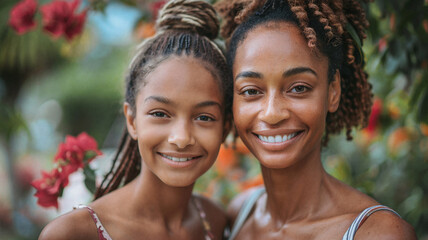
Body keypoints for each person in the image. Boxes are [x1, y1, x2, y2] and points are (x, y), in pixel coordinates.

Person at [214, 0, 416, 239]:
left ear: (333, 92)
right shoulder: (240, 213)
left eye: (298, 88)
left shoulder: (377, 233)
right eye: (250, 91)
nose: (272, 113)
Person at [38, 0, 233, 239]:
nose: (181, 138)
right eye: (160, 113)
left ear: (225, 128)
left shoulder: (214, 220)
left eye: (204, 117)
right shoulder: (74, 233)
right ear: (132, 120)